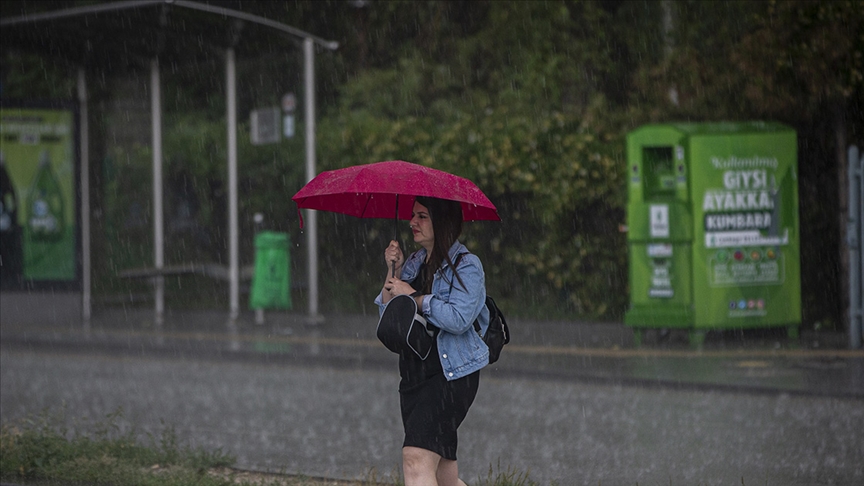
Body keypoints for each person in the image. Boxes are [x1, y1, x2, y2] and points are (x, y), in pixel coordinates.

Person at [374, 195, 490, 486]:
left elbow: (458, 319)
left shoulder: (467, 266)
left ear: (443, 221)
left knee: (415, 459)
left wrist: (414, 296)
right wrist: (395, 271)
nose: (413, 222)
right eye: (413, 215)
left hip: (450, 374)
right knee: (443, 476)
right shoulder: (413, 262)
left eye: (422, 216)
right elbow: (388, 313)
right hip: (414, 374)